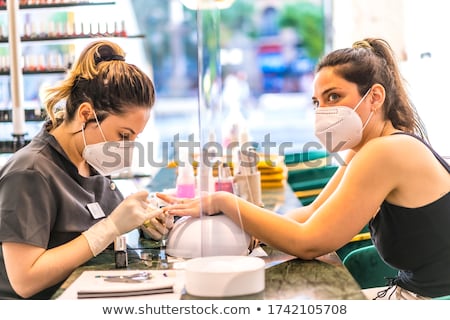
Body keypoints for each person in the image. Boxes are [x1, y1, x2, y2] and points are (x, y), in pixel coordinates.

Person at [157, 38, 450, 300]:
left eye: (334, 97)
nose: (322, 110)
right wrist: (250, 231)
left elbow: (309, 242)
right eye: (317, 102)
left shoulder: (386, 151)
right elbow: (310, 214)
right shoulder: (368, 149)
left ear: (374, 97)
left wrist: (224, 202)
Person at [0, 40, 169, 299]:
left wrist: (143, 222)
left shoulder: (92, 161)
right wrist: (110, 228)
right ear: (86, 114)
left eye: (135, 137)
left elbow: (104, 223)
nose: (128, 147)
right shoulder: (30, 173)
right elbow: (25, 280)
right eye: (123, 135)